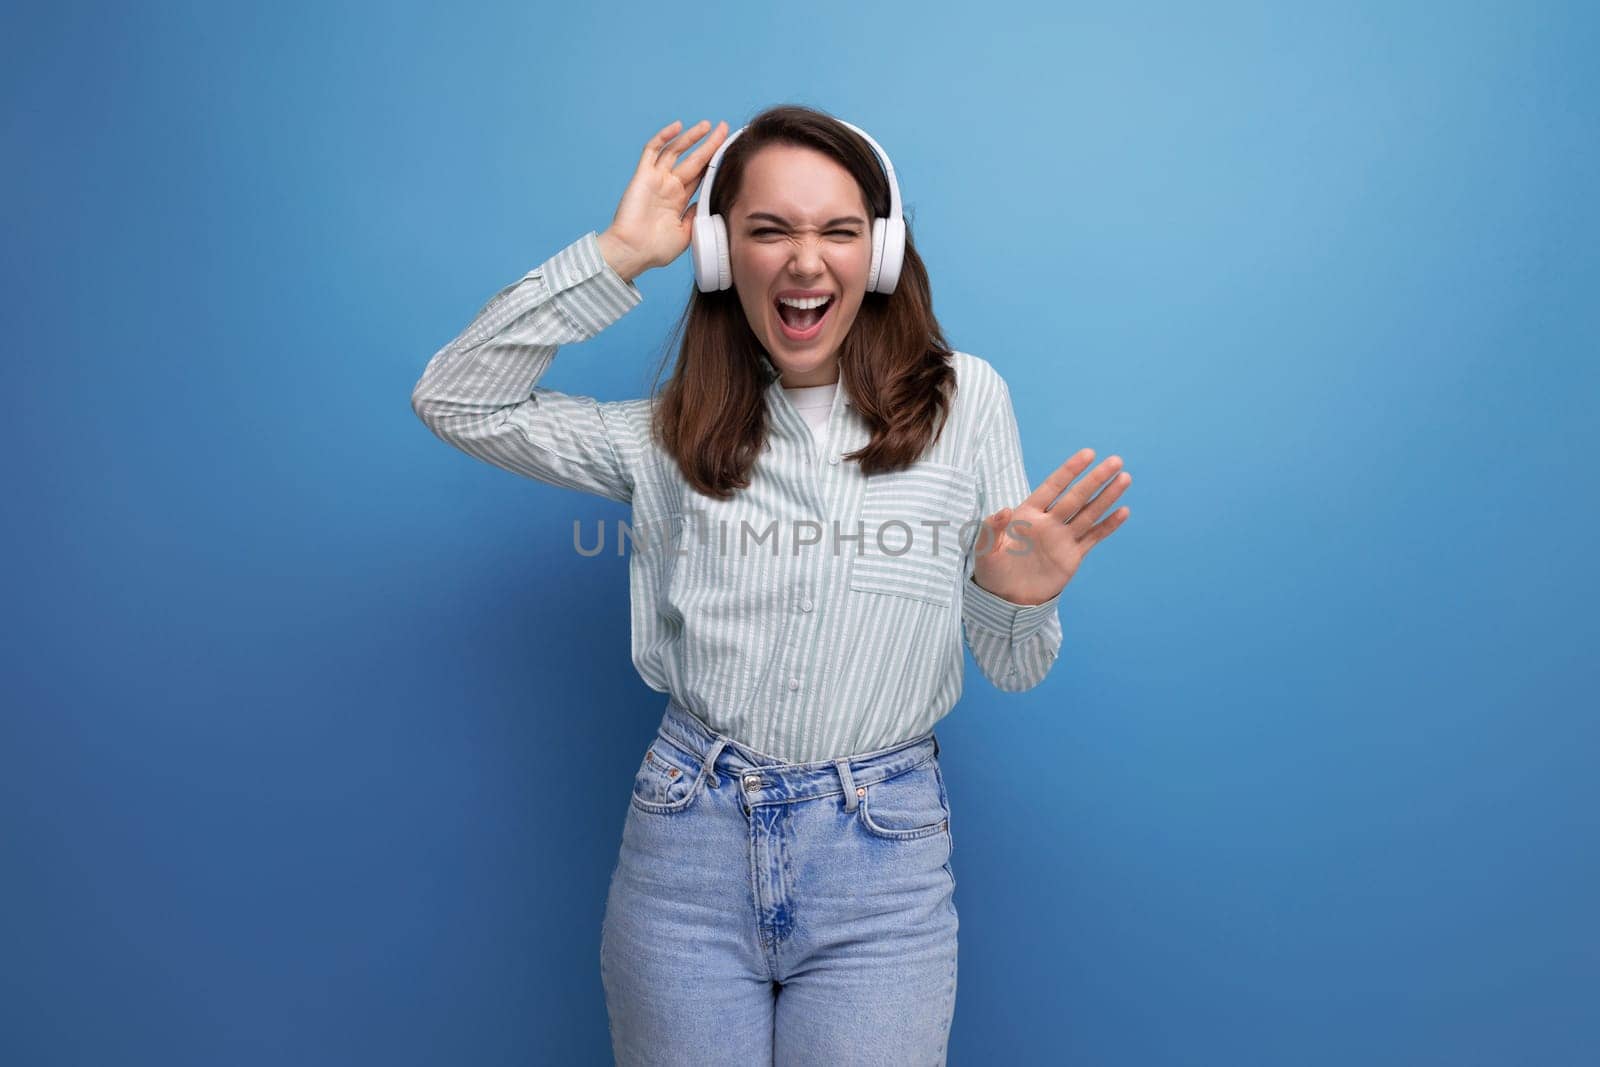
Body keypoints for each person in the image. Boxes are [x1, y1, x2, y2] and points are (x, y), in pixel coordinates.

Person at [410, 104, 1131, 1066]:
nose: (804, 260)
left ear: (879, 256)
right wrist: (617, 255)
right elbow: (455, 397)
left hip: (883, 855)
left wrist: (1015, 595)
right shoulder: (664, 431)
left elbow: (1014, 667)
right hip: (686, 845)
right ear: (718, 254)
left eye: (838, 231)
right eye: (768, 230)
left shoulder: (966, 403)